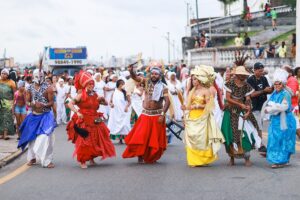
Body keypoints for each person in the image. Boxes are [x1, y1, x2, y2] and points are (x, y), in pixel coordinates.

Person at [122, 62, 170, 163]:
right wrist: (131, 70)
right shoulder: (146, 82)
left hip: (157, 115)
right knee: (140, 136)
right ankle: (140, 155)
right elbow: (135, 78)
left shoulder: (164, 87)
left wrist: (162, 115)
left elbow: (167, 102)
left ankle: (151, 156)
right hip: (145, 114)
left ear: (160, 75)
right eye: (152, 73)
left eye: (156, 74)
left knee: (154, 139)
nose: (154, 75)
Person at [67, 70, 116, 169]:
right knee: (85, 141)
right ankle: (82, 160)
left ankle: (91, 158)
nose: (91, 86)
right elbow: (69, 104)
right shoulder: (80, 95)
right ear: (85, 85)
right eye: (89, 84)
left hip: (95, 119)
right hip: (84, 120)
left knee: (96, 140)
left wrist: (104, 100)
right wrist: (77, 112)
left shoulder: (95, 95)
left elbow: (105, 104)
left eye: (92, 84)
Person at [182, 65, 225, 167]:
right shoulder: (192, 91)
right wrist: (184, 109)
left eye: (195, 79)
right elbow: (188, 106)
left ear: (200, 80)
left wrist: (198, 106)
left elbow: (210, 106)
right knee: (192, 137)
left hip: (202, 117)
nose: (193, 81)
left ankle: (203, 158)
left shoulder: (206, 91)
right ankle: (193, 160)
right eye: (192, 79)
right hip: (192, 117)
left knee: (201, 138)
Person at [221, 66, 261, 167]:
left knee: (246, 134)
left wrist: (248, 110)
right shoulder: (229, 84)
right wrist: (240, 104)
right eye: (242, 75)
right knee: (230, 134)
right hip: (230, 111)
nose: (243, 76)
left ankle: (247, 158)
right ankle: (232, 158)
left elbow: (247, 98)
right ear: (237, 75)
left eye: (244, 75)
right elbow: (228, 98)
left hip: (242, 111)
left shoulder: (247, 85)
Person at [18, 68, 56, 168]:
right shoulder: (29, 88)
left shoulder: (49, 87)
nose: (39, 78)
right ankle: (32, 158)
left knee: (46, 138)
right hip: (34, 115)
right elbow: (27, 102)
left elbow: (52, 102)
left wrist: (43, 104)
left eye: (41, 76)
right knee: (31, 138)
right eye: (37, 76)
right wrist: (33, 104)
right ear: (34, 76)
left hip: (46, 116)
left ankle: (47, 160)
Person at [263, 68, 296, 168]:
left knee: (284, 139)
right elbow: (269, 104)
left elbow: (284, 107)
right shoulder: (274, 93)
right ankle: (277, 159)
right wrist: (270, 107)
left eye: (279, 84)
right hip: (275, 121)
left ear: (283, 84)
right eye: (275, 84)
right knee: (274, 140)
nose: (277, 86)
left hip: (285, 120)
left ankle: (281, 161)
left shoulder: (286, 94)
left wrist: (271, 108)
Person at [247, 62, 273, 154]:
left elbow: (268, 90)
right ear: (254, 70)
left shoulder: (264, 78)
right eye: (259, 71)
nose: (261, 72)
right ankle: (260, 144)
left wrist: (271, 89)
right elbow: (251, 94)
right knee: (257, 125)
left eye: (262, 71)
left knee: (259, 124)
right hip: (254, 106)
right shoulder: (250, 80)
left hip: (262, 106)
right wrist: (263, 91)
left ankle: (256, 142)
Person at [108, 79, 131, 144]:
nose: (123, 85)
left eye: (123, 84)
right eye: (121, 84)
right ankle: (120, 139)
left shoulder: (126, 92)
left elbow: (129, 101)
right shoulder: (114, 92)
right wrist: (111, 104)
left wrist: (126, 107)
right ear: (118, 85)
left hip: (124, 111)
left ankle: (127, 139)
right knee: (115, 124)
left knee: (125, 125)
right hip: (116, 111)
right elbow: (110, 101)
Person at [0, 68, 16, 140]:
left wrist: (14, 104)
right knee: (1, 118)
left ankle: (5, 134)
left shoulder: (11, 82)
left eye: (5, 73)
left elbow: (15, 94)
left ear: (8, 75)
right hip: (0, 102)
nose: (3, 75)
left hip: (8, 103)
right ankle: (1, 134)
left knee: (7, 118)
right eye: (2, 73)